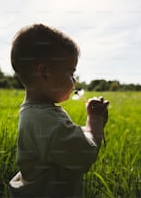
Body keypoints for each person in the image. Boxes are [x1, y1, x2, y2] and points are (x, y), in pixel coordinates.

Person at [9, 24, 109, 197]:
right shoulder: (46, 121)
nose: (74, 81)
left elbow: (68, 139)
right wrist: (95, 122)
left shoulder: (35, 114)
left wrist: (87, 128)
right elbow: (83, 154)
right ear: (45, 73)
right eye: (71, 73)